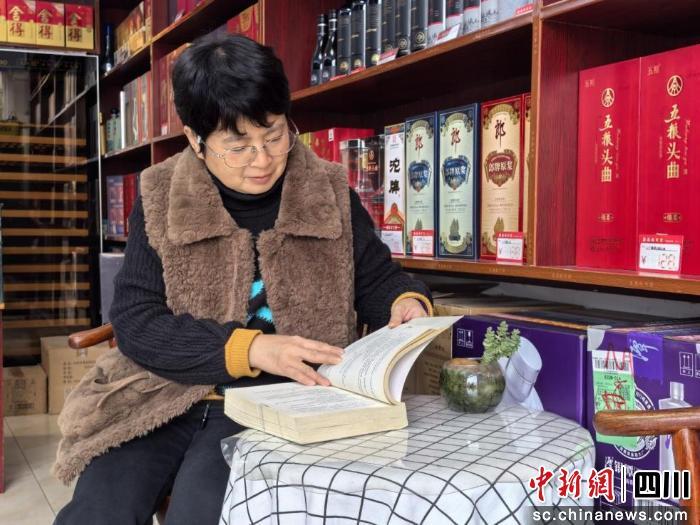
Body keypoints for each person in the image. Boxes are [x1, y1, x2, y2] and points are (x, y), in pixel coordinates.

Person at [53, 33, 432, 525]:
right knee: (96, 513)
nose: (262, 159)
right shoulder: (163, 194)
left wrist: (404, 300)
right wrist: (249, 348)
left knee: (203, 511)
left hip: (277, 403)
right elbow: (136, 321)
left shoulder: (327, 190)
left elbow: (377, 279)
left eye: (273, 135)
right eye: (238, 146)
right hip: (160, 392)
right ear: (196, 139)